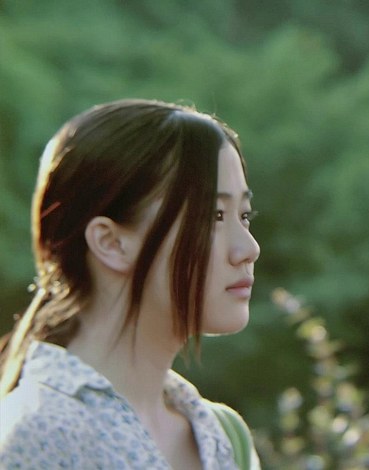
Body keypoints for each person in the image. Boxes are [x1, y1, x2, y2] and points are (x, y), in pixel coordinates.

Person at [0, 99, 261, 469]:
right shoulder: (40, 436)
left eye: (244, 215)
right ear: (111, 243)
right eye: (213, 216)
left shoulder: (223, 434)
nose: (248, 249)